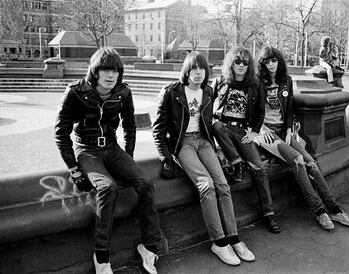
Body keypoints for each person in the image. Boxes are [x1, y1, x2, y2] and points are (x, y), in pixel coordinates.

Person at [55, 47, 163, 274]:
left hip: (113, 148)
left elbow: (130, 126)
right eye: (105, 69)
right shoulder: (75, 92)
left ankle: (149, 246)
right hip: (87, 150)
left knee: (145, 182)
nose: (110, 75)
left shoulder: (123, 92)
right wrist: (74, 169)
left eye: (115, 70)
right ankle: (101, 256)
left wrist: (129, 159)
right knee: (108, 187)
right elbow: (61, 133)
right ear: (95, 71)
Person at [152, 51, 255, 266]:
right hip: (183, 144)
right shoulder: (171, 92)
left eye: (202, 69)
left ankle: (234, 238)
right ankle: (219, 242)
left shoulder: (208, 91)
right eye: (194, 69)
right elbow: (158, 130)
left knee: (223, 185)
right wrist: (166, 158)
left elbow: (210, 122)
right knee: (206, 185)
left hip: (204, 142)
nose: (198, 73)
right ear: (186, 71)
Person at [255, 46, 349, 231]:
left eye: (274, 60)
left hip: (282, 131)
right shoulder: (257, 83)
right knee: (298, 161)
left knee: (312, 163)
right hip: (265, 133)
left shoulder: (286, 80)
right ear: (262, 64)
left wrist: (287, 129)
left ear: (279, 61)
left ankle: (334, 208)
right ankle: (319, 211)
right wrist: (260, 129)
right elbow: (252, 113)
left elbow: (290, 108)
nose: (271, 64)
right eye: (267, 61)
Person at [210, 46, 281, 234]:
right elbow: (206, 106)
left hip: (242, 131)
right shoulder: (221, 81)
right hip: (223, 127)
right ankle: (236, 161)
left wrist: (255, 132)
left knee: (260, 169)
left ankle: (268, 213)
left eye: (245, 63)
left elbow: (260, 112)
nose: (241, 65)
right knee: (215, 125)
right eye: (237, 61)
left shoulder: (254, 85)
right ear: (231, 63)